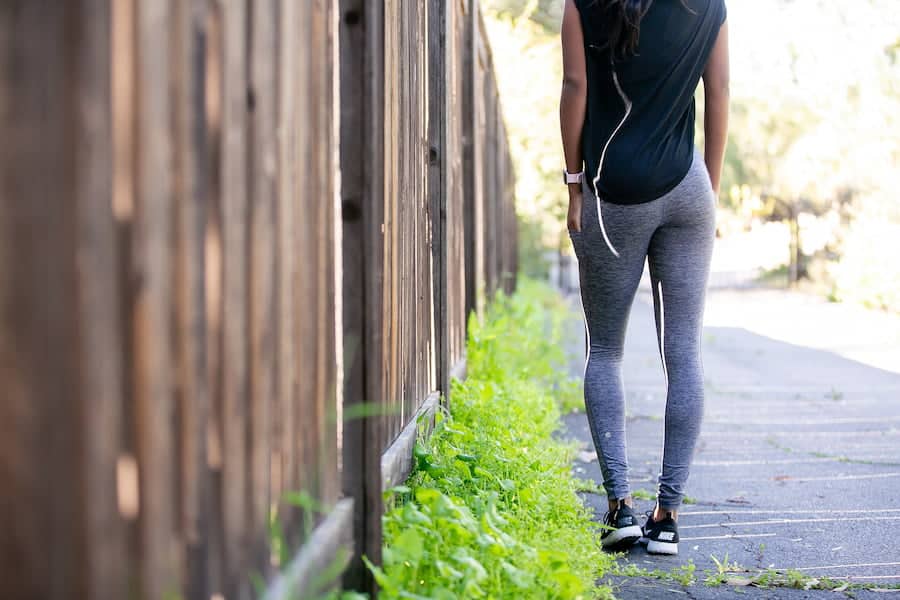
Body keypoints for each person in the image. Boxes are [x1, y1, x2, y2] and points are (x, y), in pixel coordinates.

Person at [559, 0, 729, 555]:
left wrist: (573, 184)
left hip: (615, 193)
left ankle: (619, 510)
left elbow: (575, 87)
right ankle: (668, 516)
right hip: (688, 188)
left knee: (605, 349)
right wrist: (712, 187)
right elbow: (720, 92)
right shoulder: (708, 5)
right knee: (684, 354)